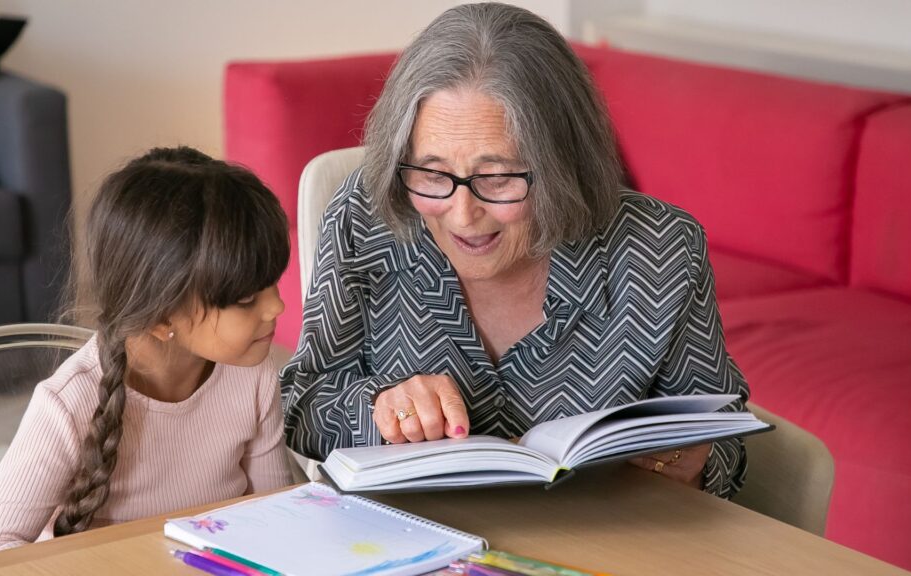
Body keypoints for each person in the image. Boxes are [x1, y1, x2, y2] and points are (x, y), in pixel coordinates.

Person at [280, 2, 750, 498]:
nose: (462, 215)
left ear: (563, 165)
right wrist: (379, 407)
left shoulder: (660, 249)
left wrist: (691, 461)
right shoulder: (368, 215)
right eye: (433, 174)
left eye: (498, 178)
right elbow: (304, 401)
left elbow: (724, 433)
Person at [0, 147, 293, 558]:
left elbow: (279, 519)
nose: (276, 307)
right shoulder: (69, 404)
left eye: (272, 283)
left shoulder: (252, 373)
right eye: (245, 298)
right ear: (160, 316)